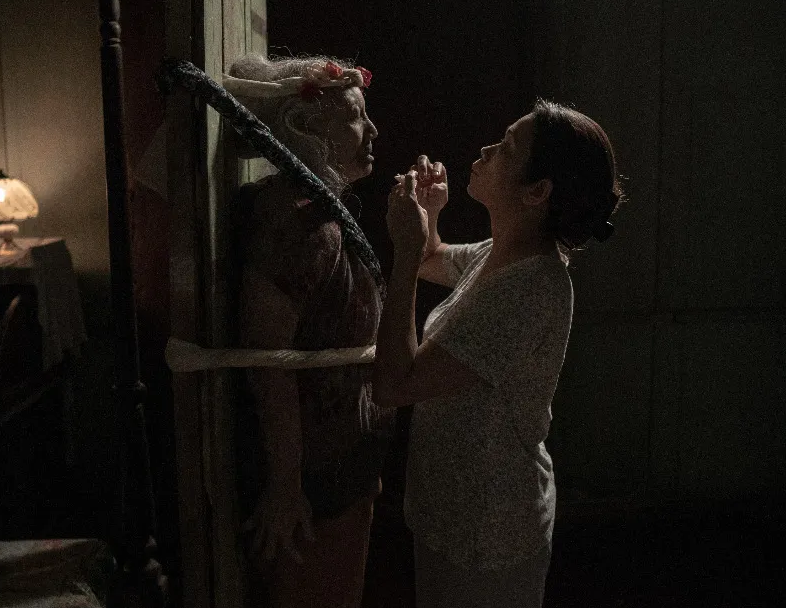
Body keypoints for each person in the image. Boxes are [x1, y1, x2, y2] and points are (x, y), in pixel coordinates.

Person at [373, 100, 622, 608]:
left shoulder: (529, 288)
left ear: (537, 192)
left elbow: (395, 384)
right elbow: (432, 258)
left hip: (488, 528)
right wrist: (431, 216)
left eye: (506, 149)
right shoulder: (501, 252)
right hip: (457, 509)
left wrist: (403, 251)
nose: (486, 150)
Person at [226, 53, 391, 608]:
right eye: (355, 117)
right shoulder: (300, 223)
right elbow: (269, 363)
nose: (372, 130)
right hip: (314, 487)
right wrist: (285, 485)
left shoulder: (319, 210)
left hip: (339, 473)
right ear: (302, 127)